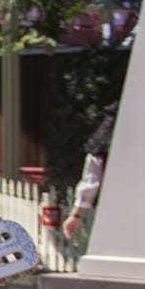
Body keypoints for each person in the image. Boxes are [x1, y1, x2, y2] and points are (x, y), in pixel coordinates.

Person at [63, 103, 117, 245]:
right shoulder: (101, 152)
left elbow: (91, 182)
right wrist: (75, 216)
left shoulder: (101, 151)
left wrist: (76, 215)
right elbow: (91, 182)